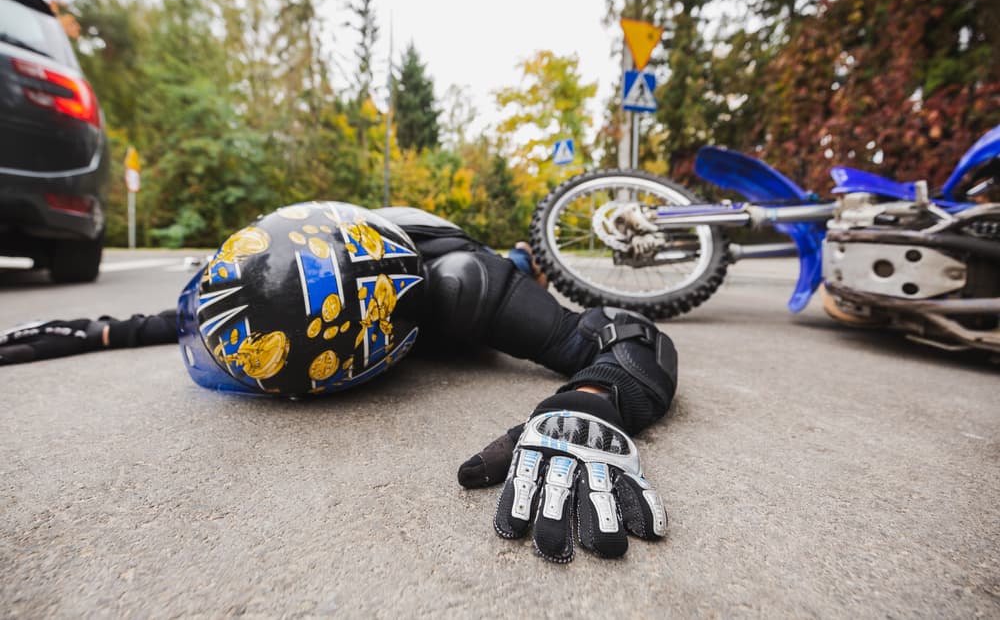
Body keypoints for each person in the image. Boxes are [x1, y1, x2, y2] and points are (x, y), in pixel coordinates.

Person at [0, 201, 677, 564]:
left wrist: (591, 401)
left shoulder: (464, 290)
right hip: (380, 230)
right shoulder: (297, 244)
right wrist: (101, 331)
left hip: (461, 261)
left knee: (511, 270)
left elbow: (625, 336)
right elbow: (239, 305)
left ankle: (524, 256)